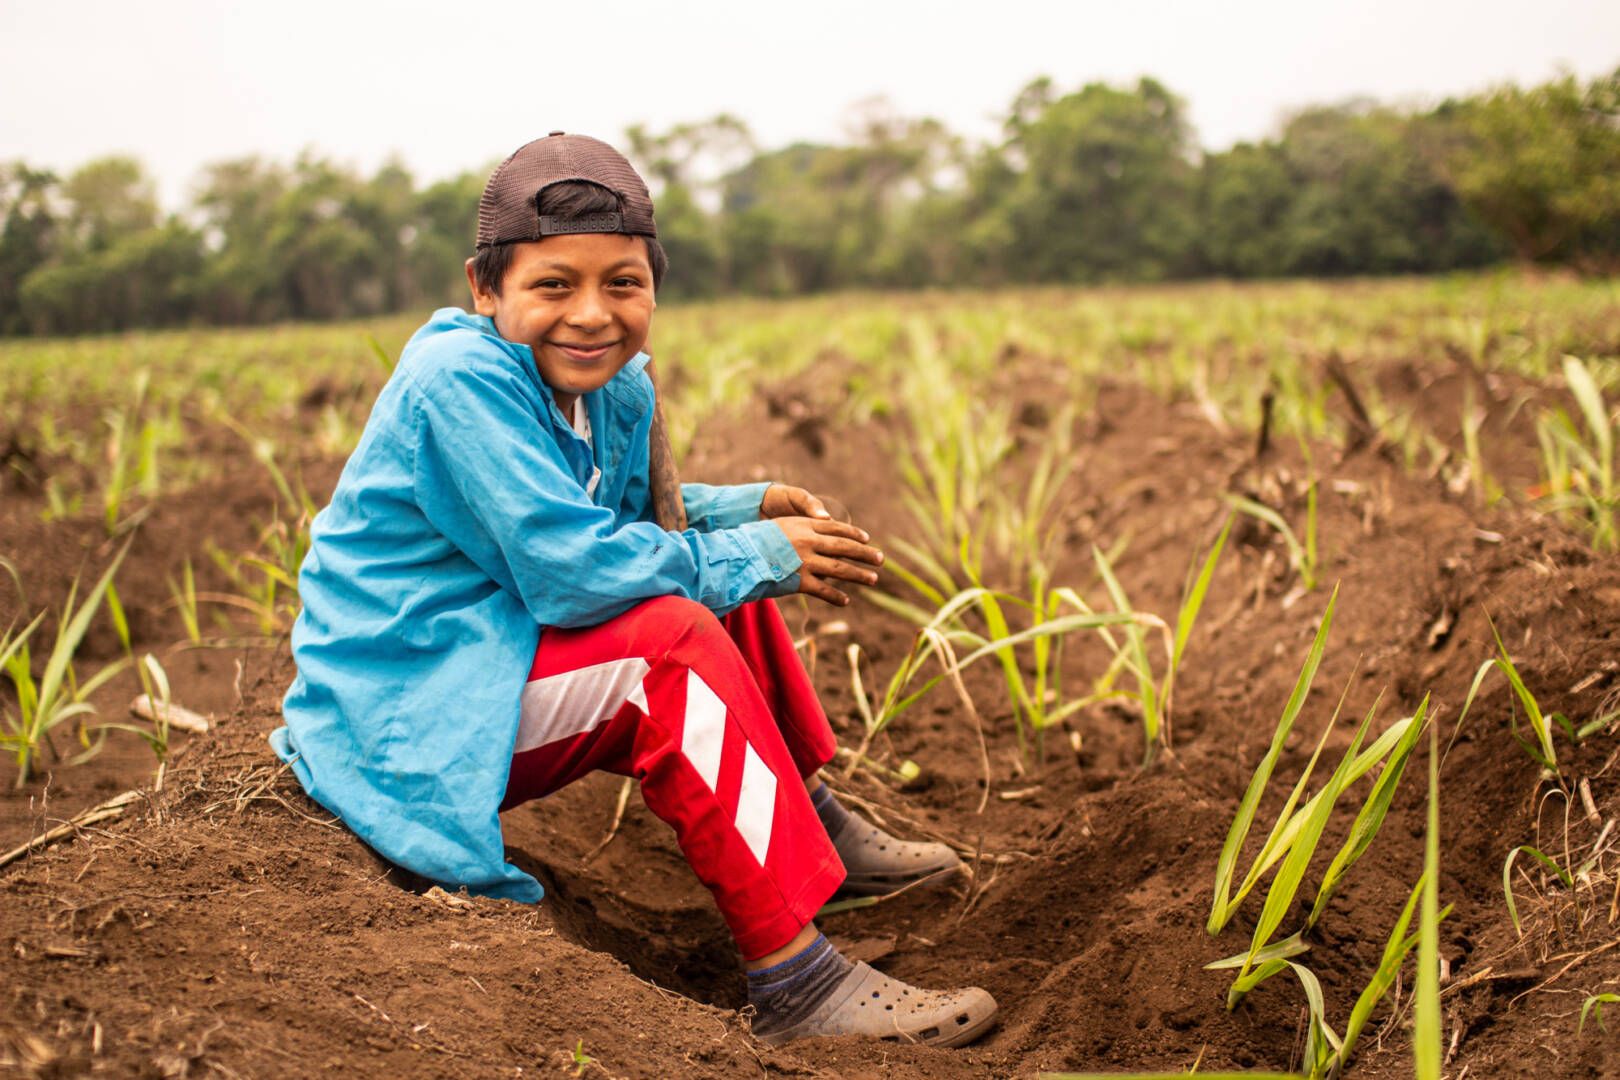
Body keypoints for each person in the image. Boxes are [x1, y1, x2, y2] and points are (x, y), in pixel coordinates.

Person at [271, 133, 998, 1048]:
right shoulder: (455, 381)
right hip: (414, 695)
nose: (591, 314)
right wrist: (755, 552)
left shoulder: (613, 388)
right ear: (484, 288)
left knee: (712, 557)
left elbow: (617, 516)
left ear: (654, 286)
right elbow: (572, 567)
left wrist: (747, 510)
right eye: (552, 285)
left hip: (494, 642)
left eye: (622, 284)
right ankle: (799, 981)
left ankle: (810, 822)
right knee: (673, 643)